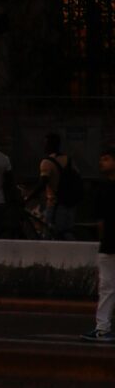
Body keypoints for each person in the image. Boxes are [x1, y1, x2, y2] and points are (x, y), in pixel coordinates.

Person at [87, 149, 115, 342]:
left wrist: (103, 239)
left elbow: (101, 222)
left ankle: (103, 326)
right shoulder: (102, 189)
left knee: (106, 286)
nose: (101, 162)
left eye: (106, 159)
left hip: (109, 243)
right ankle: (103, 326)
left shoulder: (102, 190)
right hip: (109, 243)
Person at [38, 132, 81, 241]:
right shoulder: (69, 160)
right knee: (66, 232)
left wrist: (28, 198)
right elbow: (77, 177)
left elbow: (43, 183)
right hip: (70, 204)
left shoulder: (46, 162)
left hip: (55, 205)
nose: (43, 146)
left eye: (45, 143)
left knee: (49, 234)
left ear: (49, 145)